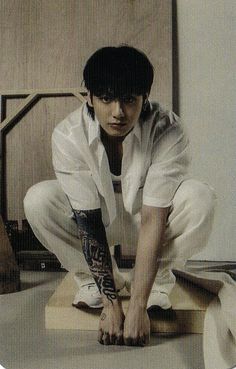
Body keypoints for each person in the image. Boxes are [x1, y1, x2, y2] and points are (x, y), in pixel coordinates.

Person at [24, 45, 216, 346]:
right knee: (38, 200)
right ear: (88, 97)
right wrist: (112, 303)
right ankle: (91, 280)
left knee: (201, 198)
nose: (118, 112)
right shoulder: (68, 135)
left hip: (149, 222)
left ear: (144, 98)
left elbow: (154, 218)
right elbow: (87, 224)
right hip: (98, 219)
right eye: (106, 98)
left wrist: (137, 307)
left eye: (129, 100)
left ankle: (158, 283)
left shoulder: (168, 128)